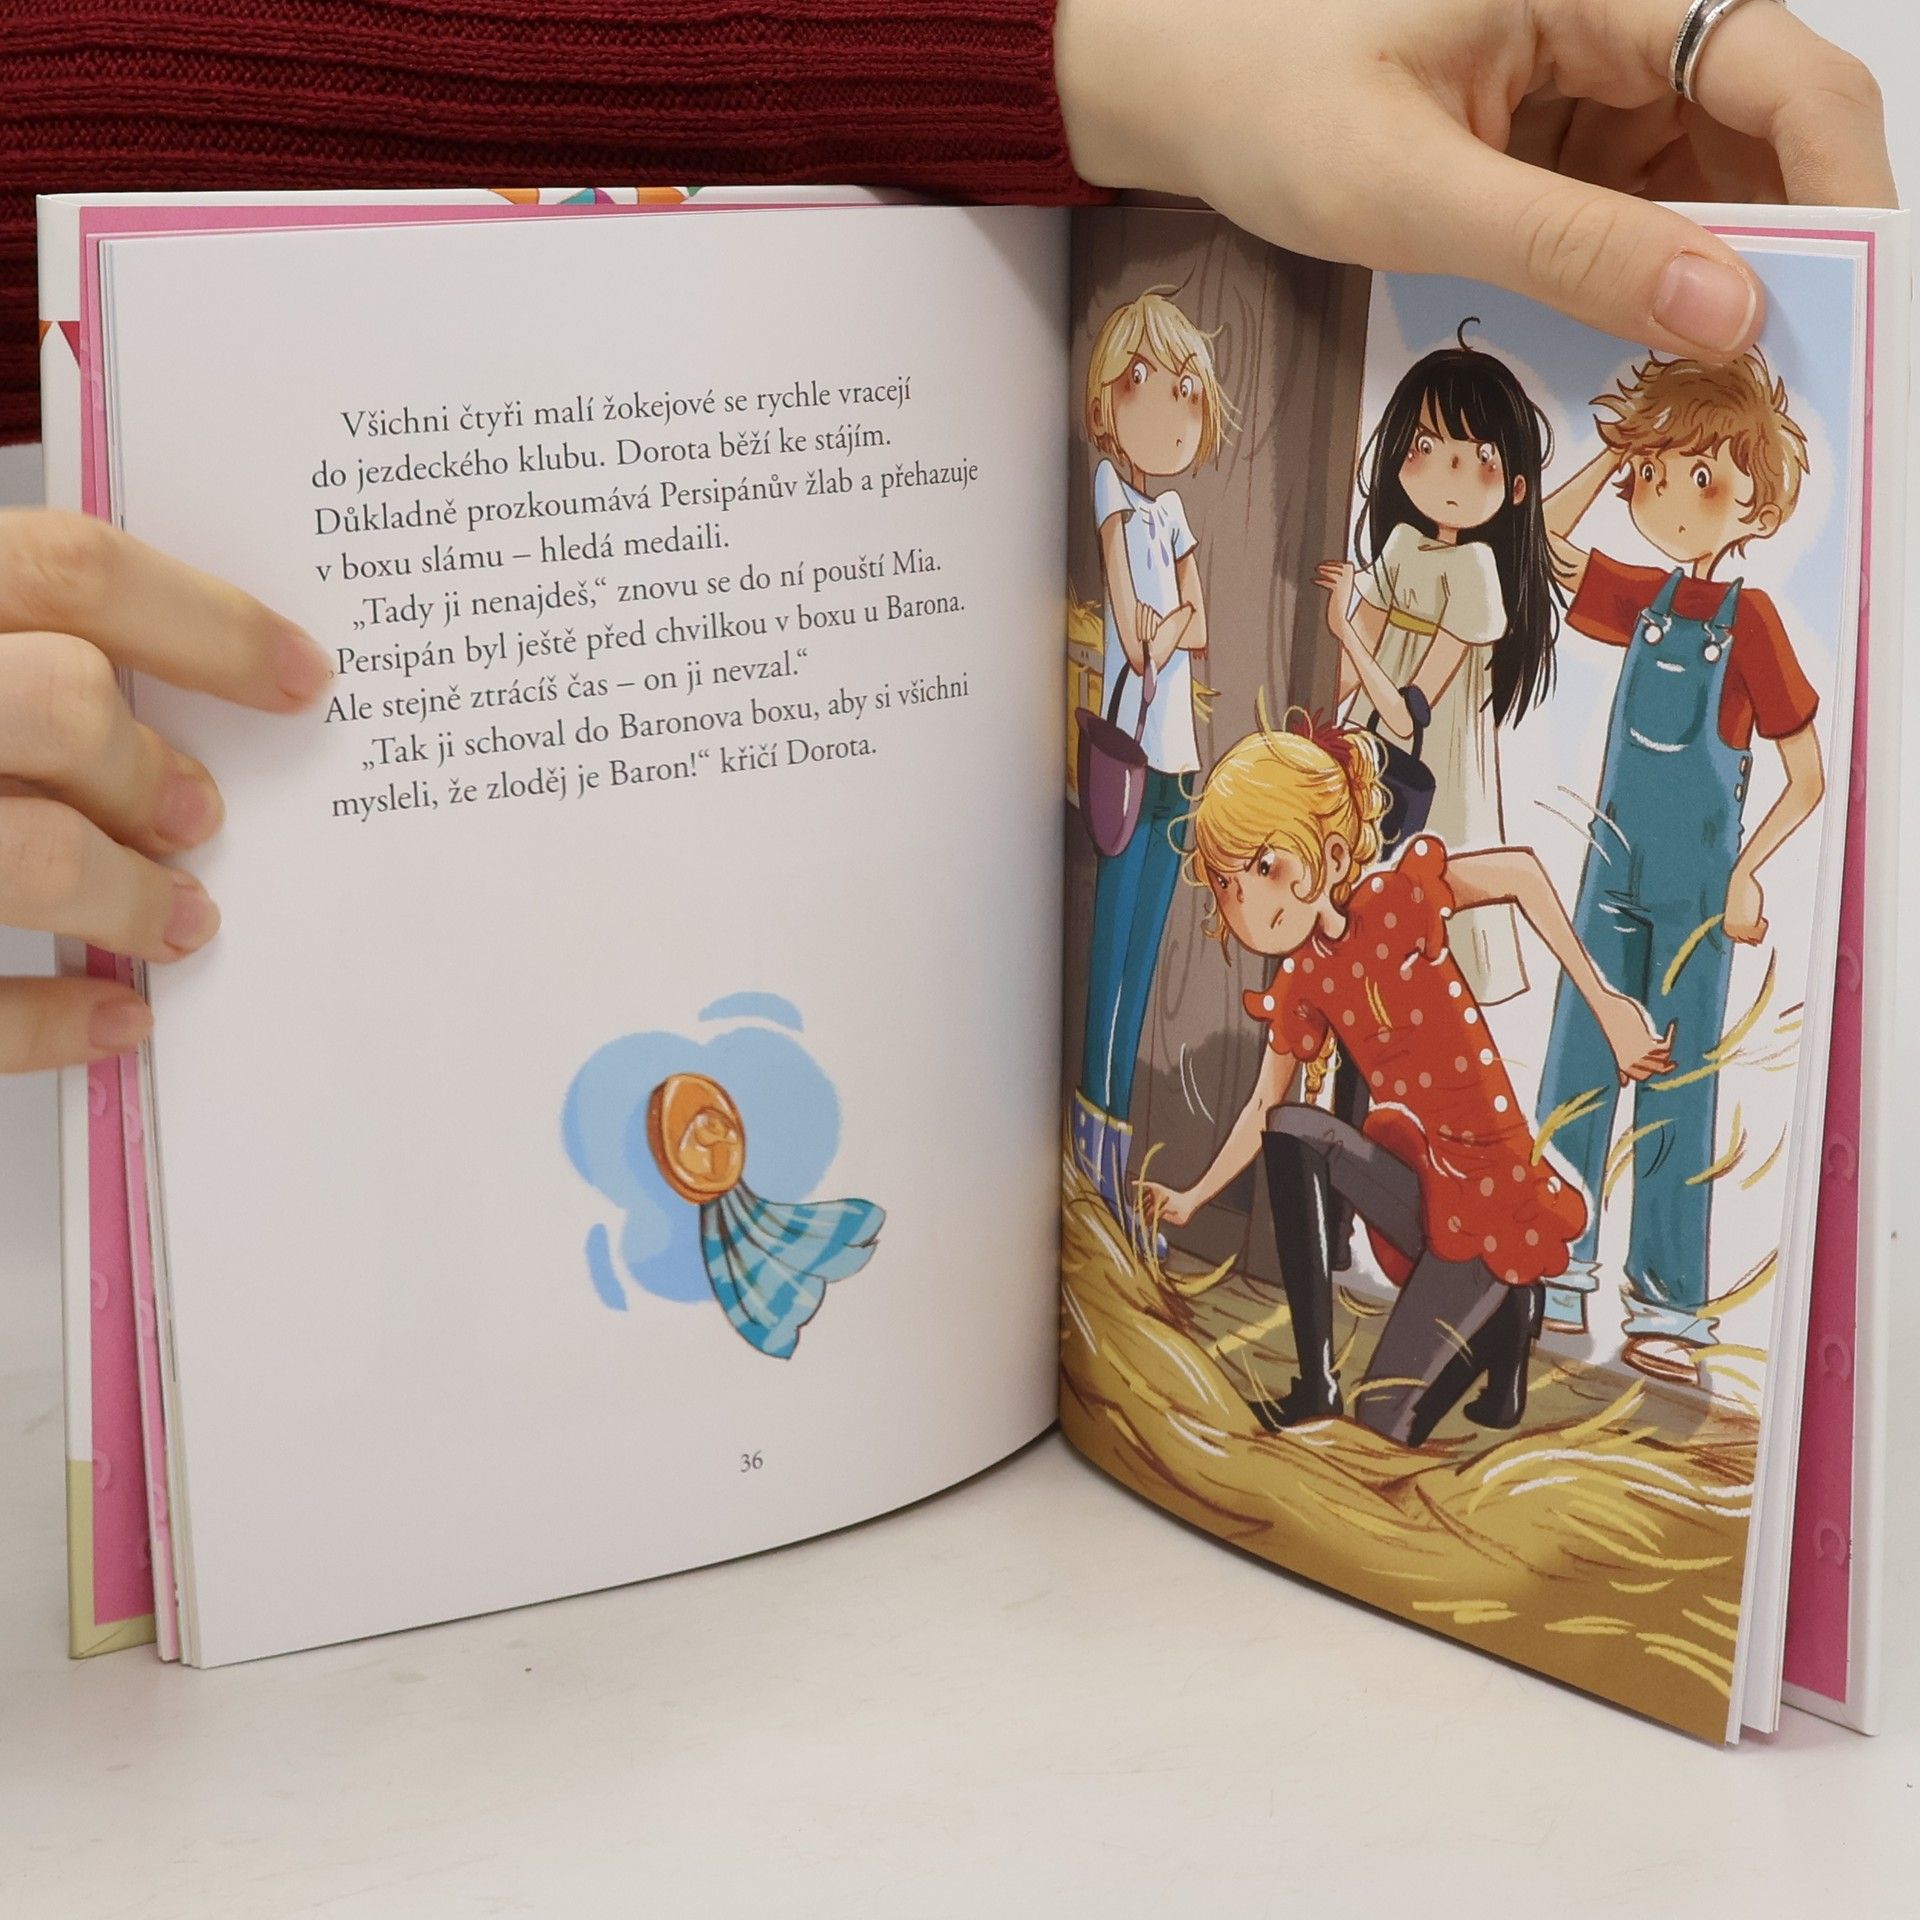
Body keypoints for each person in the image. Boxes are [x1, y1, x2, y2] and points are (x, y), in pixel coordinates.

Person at [0, 0, 1896, 1074]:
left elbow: (1465, 636)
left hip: (1358, 755)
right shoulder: (1293, 551)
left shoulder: (1525, 587)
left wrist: (1107, 66)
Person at [1144, 716, 1672, 1439]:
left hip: (1491, 1197)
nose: (1249, 902)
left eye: (1266, 868)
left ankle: (1507, 1310)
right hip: (1421, 1188)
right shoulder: (1304, 978)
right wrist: (1192, 1197)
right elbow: (1265, 1101)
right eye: (1230, 884)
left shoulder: (1399, 900)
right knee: (1289, 1127)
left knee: (1384, 1415)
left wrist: (1608, 1006)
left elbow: (1520, 873)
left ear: (1331, 854)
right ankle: (1315, 1383)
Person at [1533, 348, 1821, 1383]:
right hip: (1609, 875)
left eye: (1705, 476)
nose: (1672, 495)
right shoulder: (1641, 598)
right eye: (1659, 472)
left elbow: (1807, 776)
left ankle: (1665, 1306)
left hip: (1698, 893)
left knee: (1678, 1088)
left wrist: (1748, 872)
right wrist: (1614, 447)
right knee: (1578, 1057)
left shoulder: (1754, 625)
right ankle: (1552, 1261)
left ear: (1756, 508)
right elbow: (1544, 539)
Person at [1316, 332, 1562, 1008]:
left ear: (1515, 486)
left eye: (1476, 457)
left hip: (1428, 760)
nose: (1446, 471)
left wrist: (1345, 630)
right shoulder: (1401, 545)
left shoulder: (1478, 569)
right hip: (1365, 745)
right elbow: (1352, 671)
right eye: (1426, 447)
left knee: (1419, 916)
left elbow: (1408, 712)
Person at [1072, 291, 1230, 1226]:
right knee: (1109, 968)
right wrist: (1166, 627)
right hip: (1128, 754)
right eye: (1145, 383)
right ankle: (1089, 1162)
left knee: (1140, 964)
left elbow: (1194, 628)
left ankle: (1113, 1163)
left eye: (1187, 391)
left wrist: (1166, 628)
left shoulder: (1170, 510)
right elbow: (1136, 635)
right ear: (1109, 400)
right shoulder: (1114, 493)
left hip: (1177, 764)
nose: (1171, 412)